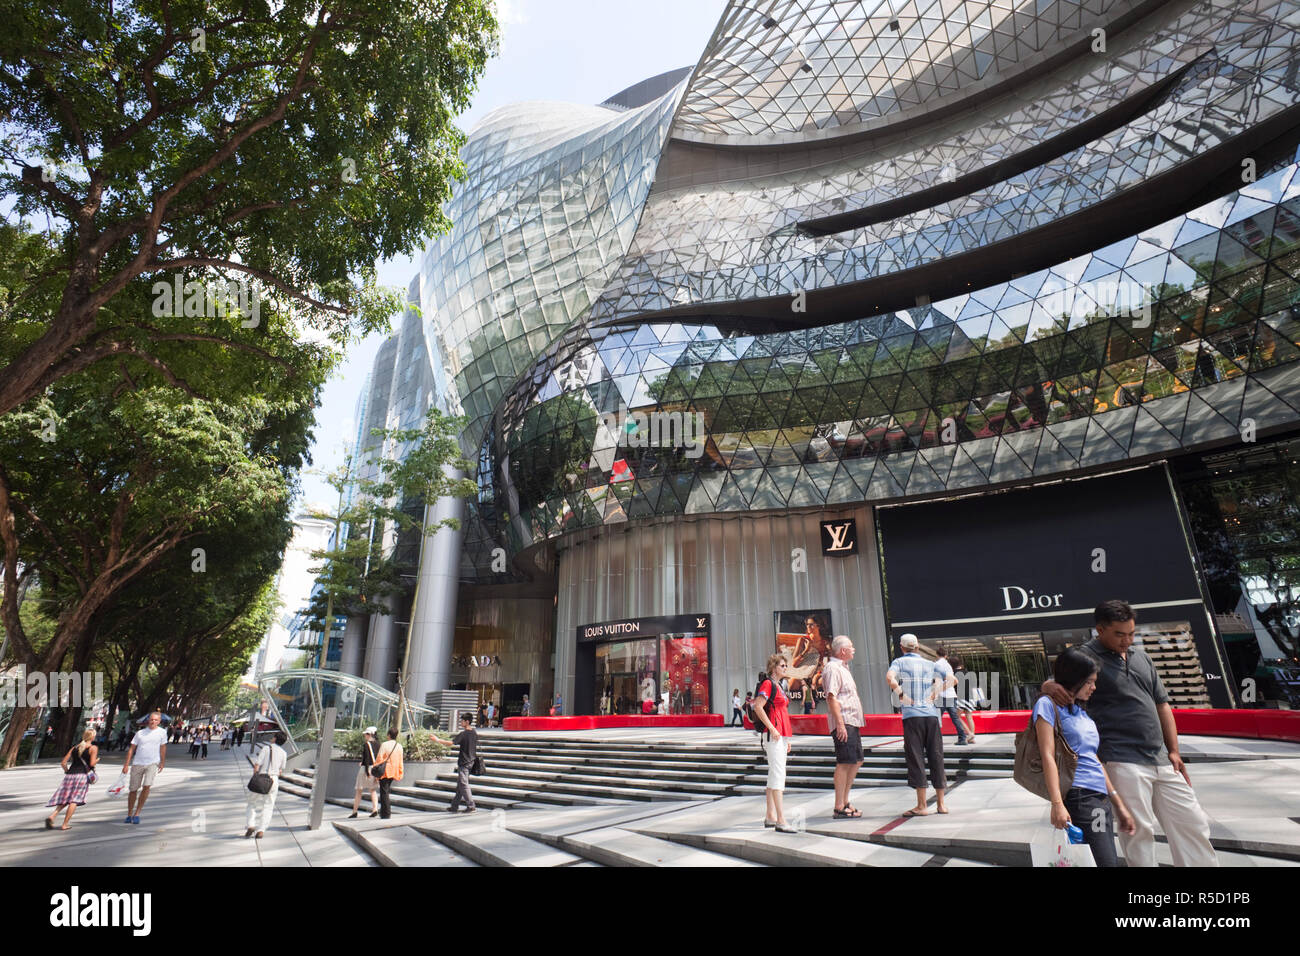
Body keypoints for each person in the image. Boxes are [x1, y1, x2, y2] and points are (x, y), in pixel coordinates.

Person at [1042, 601, 1218, 866]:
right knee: (1138, 832)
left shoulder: (1142, 657)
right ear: (1100, 630)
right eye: (1120, 634)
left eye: (1132, 633)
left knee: (1192, 824)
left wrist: (1173, 750)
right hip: (1120, 757)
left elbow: (1162, 704)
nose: (1127, 640)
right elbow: (1057, 684)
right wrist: (1047, 685)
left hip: (1161, 758)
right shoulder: (1085, 656)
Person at [1034, 647, 1135, 867]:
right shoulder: (1047, 705)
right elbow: (1047, 756)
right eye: (1089, 681)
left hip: (1099, 800)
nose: (1094, 687)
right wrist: (1057, 804)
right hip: (1082, 799)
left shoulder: (1080, 712)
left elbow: (1093, 759)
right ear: (1075, 678)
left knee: (1101, 860)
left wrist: (1118, 803)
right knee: (1105, 861)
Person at [886, 634, 948, 816]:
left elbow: (890, 678)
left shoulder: (899, 662)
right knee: (936, 756)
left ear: (902, 647)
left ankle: (922, 806)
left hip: (912, 716)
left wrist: (901, 695)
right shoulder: (930, 664)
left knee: (916, 757)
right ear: (918, 647)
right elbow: (953, 680)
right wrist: (935, 692)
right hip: (931, 716)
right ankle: (941, 804)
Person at [752, 653, 798, 833]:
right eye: (782, 665)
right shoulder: (768, 684)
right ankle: (781, 819)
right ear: (773, 668)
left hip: (780, 735)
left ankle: (770, 815)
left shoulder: (779, 686)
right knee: (779, 775)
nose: (785, 668)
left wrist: (787, 738)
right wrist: (772, 728)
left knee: (774, 774)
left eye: (786, 666)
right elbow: (758, 706)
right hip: (774, 735)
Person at [823, 636, 865, 818]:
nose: (853, 649)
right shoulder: (832, 668)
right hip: (844, 721)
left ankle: (845, 800)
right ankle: (839, 805)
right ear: (842, 651)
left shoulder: (844, 668)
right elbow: (831, 697)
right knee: (844, 762)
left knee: (856, 760)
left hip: (853, 721)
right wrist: (839, 724)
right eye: (851, 646)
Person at [45, 728, 98, 830]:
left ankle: (52, 816)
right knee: (74, 800)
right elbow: (91, 764)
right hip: (82, 776)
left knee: (66, 798)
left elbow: (63, 763)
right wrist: (96, 761)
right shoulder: (93, 748)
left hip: (70, 776)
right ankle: (65, 824)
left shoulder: (75, 747)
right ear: (92, 737)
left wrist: (67, 771)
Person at [123, 711, 167, 825]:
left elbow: (163, 748)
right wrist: (126, 765)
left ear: (159, 721)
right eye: (152, 719)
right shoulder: (140, 733)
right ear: (148, 720)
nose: (153, 722)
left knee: (147, 786)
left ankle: (137, 813)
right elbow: (132, 749)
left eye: (156, 720)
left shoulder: (162, 732)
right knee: (133, 789)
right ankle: (129, 813)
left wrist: (162, 762)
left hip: (152, 763)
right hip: (138, 763)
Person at [244, 731, 288, 839]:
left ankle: (250, 825)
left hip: (261, 777)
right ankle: (261, 830)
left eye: (273, 737)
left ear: (275, 739)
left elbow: (257, 764)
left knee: (251, 803)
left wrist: (255, 776)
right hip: (273, 780)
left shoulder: (266, 748)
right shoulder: (283, 753)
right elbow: (281, 770)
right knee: (268, 805)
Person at [437, 713, 478, 813]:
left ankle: (471, 806)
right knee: (460, 785)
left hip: (464, 762)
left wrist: (437, 740)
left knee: (463, 784)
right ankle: (454, 806)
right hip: (471, 761)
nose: (461, 722)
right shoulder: (474, 732)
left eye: (462, 720)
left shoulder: (463, 734)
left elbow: (451, 743)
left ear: (467, 722)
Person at [934, 646, 967, 745]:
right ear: (946, 655)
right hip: (951, 695)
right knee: (955, 718)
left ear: (937, 654)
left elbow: (937, 680)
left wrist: (935, 692)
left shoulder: (936, 665)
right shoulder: (948, 665)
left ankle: (936, 740)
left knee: (936, 719)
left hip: (941, 696)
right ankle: (962, 738)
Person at [348, 727, 380, 819]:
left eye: (366, 734)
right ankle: (375, 809)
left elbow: (366, 758)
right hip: (374, 769)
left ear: (370, 734)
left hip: (365, 769)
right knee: (373, 790)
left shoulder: (367, 744)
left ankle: (354, 811)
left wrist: (366, 771)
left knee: (359, 790)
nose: (364, 735)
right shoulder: (379, 744)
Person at [373, 727, 404, 819]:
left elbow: (379, 758)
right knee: (386, 790)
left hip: (385, 771)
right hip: (394, 771)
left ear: (389, 735)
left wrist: (375, 770)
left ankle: (386, 813)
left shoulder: (385, 745)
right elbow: (400, 760)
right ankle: (385, 812)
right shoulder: (399, 746)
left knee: (384, 792)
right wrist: (400, 772)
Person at [952, 658, 978, 742]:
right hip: (970, 697)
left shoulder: (954, 673)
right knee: (969, 717)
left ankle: (970, 734)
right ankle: (972, 737)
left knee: (956, 716)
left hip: (961, 697)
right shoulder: (967, 672)